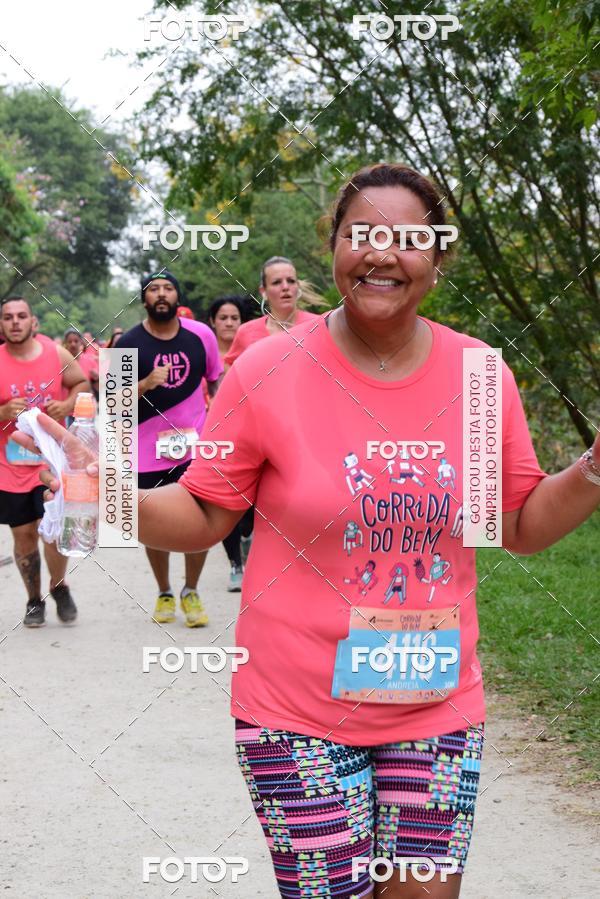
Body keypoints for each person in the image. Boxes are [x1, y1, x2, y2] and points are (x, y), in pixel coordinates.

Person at [17, 163, 600, 898]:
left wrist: (592, 466)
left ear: (438, 258)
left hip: (436, 702)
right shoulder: (266, 369)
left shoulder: (479, 375)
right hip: (297, 711)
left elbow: (515, 524)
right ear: (334, 248)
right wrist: (106, 490)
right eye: (362, 234)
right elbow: (203, 516)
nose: (383, 254)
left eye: (408, 239)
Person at [114, 271, 223, 627]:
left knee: (201, 519)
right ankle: (163, 592)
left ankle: (191, 591)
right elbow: (112, 403)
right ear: (143, 299)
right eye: (153, 290)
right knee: (154, 524)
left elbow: (216, 382)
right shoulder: (126, 343)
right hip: (147, 449)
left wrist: (222, 429)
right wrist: (145, 384)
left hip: (195, 447)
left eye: (168, 288)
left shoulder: (202, 335)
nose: (161, 295)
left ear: (178, 295)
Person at [0, 297, 87, 627]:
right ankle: (34, 600)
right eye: (8, 317)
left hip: (51, 463)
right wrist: (3, 412)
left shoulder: (55, 353)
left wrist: (66, 405)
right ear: (1, 325)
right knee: (23, 536)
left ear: (33, 322)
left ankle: (58, 586)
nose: (15, 322)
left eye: (22, 316)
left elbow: (80, 383)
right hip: (9, 466)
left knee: (53, 532)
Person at [206, 295, 251, 591]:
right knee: (224, 504)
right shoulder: (207, 356)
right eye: (223, 318)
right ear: (213, 322)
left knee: (251, 509)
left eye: (234, 318)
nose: (229, 323)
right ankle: (236, 563)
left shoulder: (252, 354)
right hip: (213, 439)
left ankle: (249, 540)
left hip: (249, 437)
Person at [224, 255, 321, 367]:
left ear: (297, 287)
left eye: (291, 281)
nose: (285, 287)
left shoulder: (318, 325)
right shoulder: (246, 331)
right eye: (276, 282)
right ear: (263, 291)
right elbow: (230, 367)